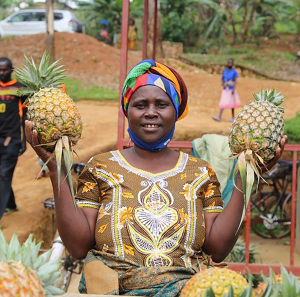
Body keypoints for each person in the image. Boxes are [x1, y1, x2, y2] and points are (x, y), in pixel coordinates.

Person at [25, 59, 286, 296]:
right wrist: (56, 169)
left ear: (175, 111)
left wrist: (245, 177)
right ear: (128, 111)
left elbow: (217, 249)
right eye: (140, 105)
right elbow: (79, 247)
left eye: (161, 104)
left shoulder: (200, 172)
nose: (151, 112)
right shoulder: (101, 166)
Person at [0, 57, 27, 219]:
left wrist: (24, 141)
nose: (1, 73)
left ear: (11, 70)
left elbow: (25, 116)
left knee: (4, 174)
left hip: (12, 139)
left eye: (4, 70)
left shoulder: (20, 88)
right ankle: (10, 204)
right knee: (2, 174)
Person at [213, 58, 241, 123]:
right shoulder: (225, 70)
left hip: (231, 89)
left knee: (232, 104)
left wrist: (233, 89)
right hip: (225, 89)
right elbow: (222, 78)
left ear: (233, 64)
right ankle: (219, 117)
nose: (229, 64)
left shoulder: (234, 71)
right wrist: (223, 83)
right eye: (228, 62)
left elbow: (235, 81)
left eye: (231, 63)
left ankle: (233, 117)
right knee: (223, 102)